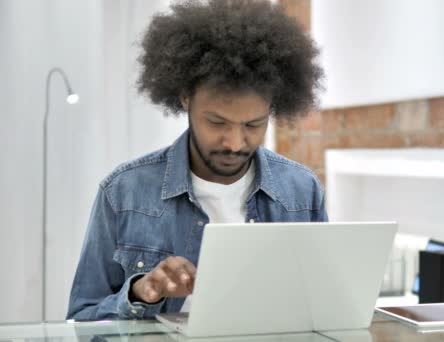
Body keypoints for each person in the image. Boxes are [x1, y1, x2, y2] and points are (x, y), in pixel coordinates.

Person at [67, 0, 326, 320]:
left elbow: (320, 309)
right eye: (217, 123)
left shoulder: (302, 191)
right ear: (185, 98)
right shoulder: (125, 192)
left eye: (253, 125)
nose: (234, 143)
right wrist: (139, 294)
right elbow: (82, 318)